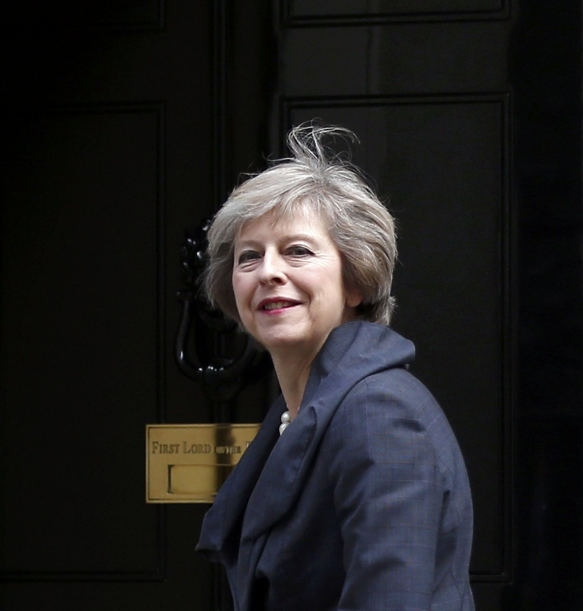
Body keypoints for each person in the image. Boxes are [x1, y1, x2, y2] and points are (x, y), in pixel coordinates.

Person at [196, 124, 475, 610]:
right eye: (249, 257)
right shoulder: (300, 411)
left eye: (297, 251)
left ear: (356, 282)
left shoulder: (379, 412)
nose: (269, 271)